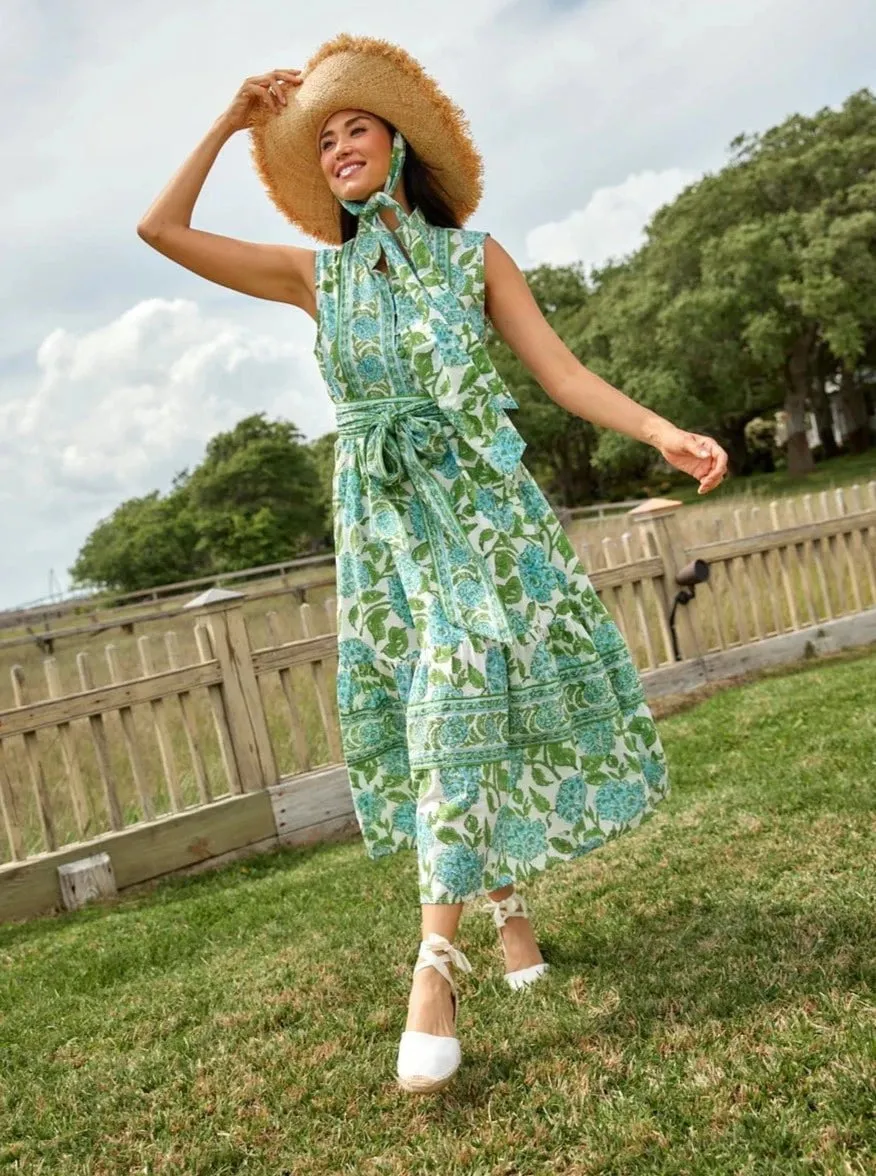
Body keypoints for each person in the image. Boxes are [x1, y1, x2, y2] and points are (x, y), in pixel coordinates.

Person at [137, 33, 729, 1095]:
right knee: (441, 713)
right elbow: (159, 228)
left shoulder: (475, 258)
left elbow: (559, 373)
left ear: (399, 144)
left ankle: (434, 967)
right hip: (389, 529)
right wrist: (230, 124)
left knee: (464, 694)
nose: (336, 148)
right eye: (320, 141)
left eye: (353, 126)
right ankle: (509, 918)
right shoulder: (314, 277)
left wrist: (660, 431)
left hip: (487, 518)